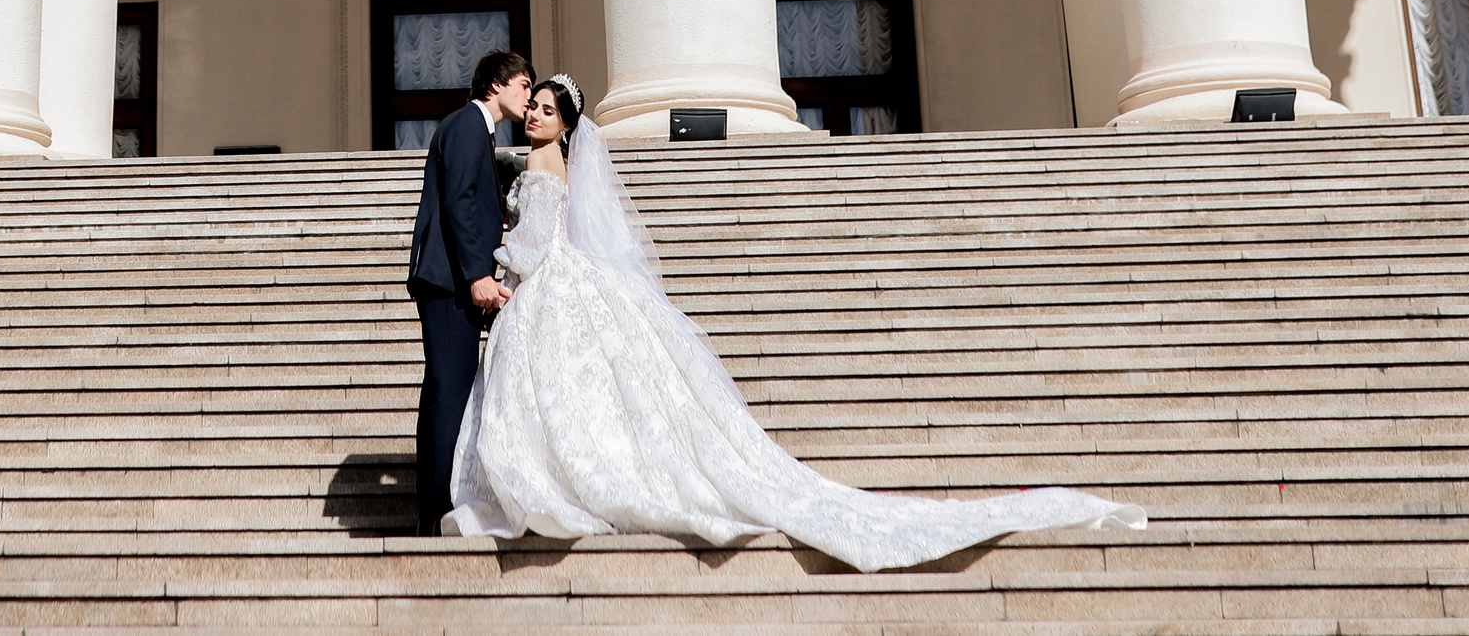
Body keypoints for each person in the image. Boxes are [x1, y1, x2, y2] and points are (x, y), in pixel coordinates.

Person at [443, 74, 1148, 571]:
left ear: (565, 121)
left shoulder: (540, 165)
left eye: (543, 107)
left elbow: (532, 246)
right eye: (530, 105)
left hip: (550, 292)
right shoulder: (563, 161)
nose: (533, 114)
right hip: (576, 289)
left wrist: (497, 270)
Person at [405, 47, 532, 537]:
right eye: (524, 85)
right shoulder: (465, 125)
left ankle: (436, 505)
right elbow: (457, 201)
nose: (528, 95)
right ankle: (434, 512)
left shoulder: (478, 131)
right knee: (447, 392)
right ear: (496, 84)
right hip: (448, 281)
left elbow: (472, 202)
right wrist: (478, 276)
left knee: (446, 391)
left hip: (452, 280)